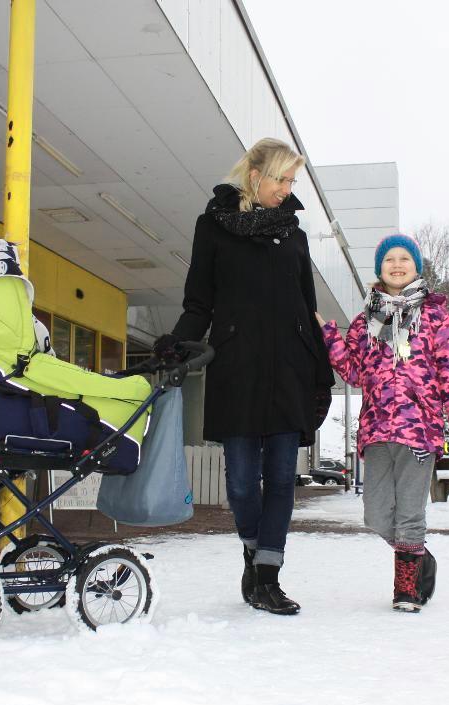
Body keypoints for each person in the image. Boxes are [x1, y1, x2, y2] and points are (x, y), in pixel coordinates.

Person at [155, 138, 334, 616]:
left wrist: (319, 362)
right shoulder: (212, 227)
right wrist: (177, 343)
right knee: (239, 483)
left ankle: (268, 576)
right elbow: (199, 301)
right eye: (281, 178)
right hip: (237, 368)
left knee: (279, 478)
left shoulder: (294, 235)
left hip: (289, 369)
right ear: (255, 176)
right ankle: (254, 554)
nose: (287, 189)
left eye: (292, 181)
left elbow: (307, 306)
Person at [317, 234, 449, 612]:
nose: (397, 263)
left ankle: (406, 588)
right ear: (379, 269)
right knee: (375, 515)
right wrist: (331, 338)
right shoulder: (364, 321)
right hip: (376, 431)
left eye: (405, 258)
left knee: (409, 512)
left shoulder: (436, 317)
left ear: (416, 267)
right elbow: (355, 373)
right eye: (389, 259)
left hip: (419, 432)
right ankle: (419, 556)